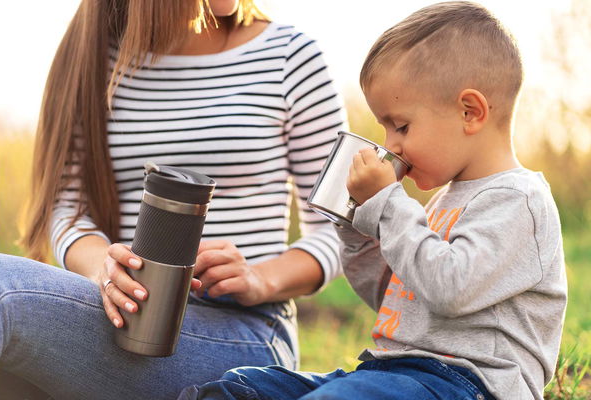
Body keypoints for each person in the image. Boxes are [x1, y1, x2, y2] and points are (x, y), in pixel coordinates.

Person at [182, 2, 568, 400]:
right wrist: (356, 231)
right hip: (393, 372)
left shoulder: (519, 200)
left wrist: (388, 201)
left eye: (401, 126)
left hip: (469, 383)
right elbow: (392, 298)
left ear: (470, 112)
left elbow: (449, 290)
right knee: (245, 387)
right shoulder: (442, 202)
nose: (390, 145)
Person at [0, 0, 348, 398]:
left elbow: (342, 230)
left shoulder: (289, 56)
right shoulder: (94, 59)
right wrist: (105, 272)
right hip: (126, 319)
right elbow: (67, 210)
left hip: (246, 330)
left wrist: (260, 279)